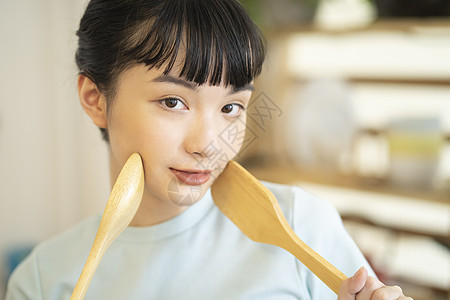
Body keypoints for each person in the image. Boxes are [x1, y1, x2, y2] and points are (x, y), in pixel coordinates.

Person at [6, 0, 412, 299]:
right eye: (172, 102)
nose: (207, 145)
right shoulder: (42, 279)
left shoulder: (299, 227)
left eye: (231, 107)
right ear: (95, 98)